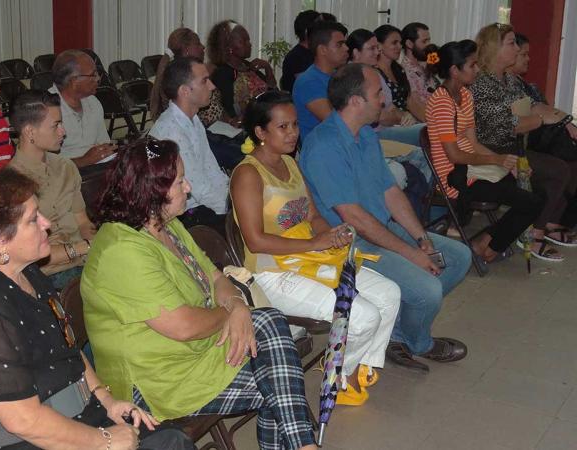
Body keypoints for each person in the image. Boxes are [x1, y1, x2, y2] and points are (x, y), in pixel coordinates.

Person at [0, 168, 194, 450]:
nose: (47, 223)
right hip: (20, 441)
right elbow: (23, 421)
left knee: (171, 439)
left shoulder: (25, 274)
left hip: (70, 415)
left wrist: (105, 399)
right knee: (168, 444)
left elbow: (67, 346)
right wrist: (102, 439)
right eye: (33, 220)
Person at [81, 138, 319, 450]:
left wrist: (236, 303)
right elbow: (183, 327)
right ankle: (306, 446)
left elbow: (215, 275)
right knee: (279, 387)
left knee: (272, 340)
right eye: (180, 181)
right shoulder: (122, 251)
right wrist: (234, 312)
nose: (188, 187)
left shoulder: (164, 224)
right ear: (152, 193)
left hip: (196, 351)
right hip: (156, 380)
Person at [231, 91, 400, 405]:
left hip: (307, 257)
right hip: (271, 273)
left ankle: (350, 368)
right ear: (260, 132)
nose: (293, 132)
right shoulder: (248, 174)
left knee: (389, 294)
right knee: (362, 316)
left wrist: (331, 234)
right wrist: (313, 242)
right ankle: (339, 376)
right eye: (283, 127)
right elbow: (254, 240)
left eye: (295, 124)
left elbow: (313, 215)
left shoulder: (290, 163)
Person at [300, 64, 471, 373]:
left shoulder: (364, 134)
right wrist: (410, 254)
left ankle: (397, 334)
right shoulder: (323, 145)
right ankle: (419, 343)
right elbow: (354, 218)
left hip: (381, 230)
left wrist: (421, 238)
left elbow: (390, 191)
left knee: (457, 257)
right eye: (378, 93)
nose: (384, 100)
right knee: (428, 289)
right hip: (352, 245)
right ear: (356, 101)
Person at [425, 40, 542, 264]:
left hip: (474, 169)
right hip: (455, 177)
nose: (477, 70)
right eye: (471, 65)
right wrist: (496, 159)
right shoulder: (441, 103)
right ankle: (489, 246)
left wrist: (503, 164)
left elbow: (473, 142)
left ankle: (485, 241)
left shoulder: (466, 96)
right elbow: (454, 156)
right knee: (530, 202)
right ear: (454, 71)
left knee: (536, 191)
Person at [471, 23, 577, 258]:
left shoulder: (507, 80)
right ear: (494, 48)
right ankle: (530, 235)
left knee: (558, 170)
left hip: (514, 147)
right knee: (556, 171)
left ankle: (536, 231)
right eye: (511, 43)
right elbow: (508, 124)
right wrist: (541, 119)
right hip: (492, 151)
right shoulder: (483, 84)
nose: (517, 48)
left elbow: (532, 104)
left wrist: (565, 120)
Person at [8, 90, 95, 289]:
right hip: (48, 276)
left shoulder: (65, 167)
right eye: (56, 125)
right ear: (30, 132)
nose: (63, 131)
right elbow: (32, 255)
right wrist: (85, 247)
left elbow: (82, 221)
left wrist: (97, 242)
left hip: (84, 260)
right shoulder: (11, 183)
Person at [347, 28, 432, 217]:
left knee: (427, 138)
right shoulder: (351, 78)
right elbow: (380, 116)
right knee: (422, 146)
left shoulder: (380, 73)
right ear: (355, 53)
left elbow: (391, 108)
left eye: (377, 48)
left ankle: (425, 214)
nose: (377, 52)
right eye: (372, 48)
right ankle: (424, 215)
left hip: (388, 127)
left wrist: (399, 115)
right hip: (376, 132)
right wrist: (398, 116)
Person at [149, 57, 229, 233]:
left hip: (203, 204)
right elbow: (197, 188)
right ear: (185, 91)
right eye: (204, 81)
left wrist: (234, 192)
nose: (212, 86)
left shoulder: (192, 119)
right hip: (184, 215)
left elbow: (211, 169)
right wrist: (233, 206)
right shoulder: (171, 131)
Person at [150, 28, 244, 171]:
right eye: (198, 43)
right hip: (210, 129)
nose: (203, 47)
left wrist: (229, 120)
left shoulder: (193, 119)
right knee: (242, 154)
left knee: (245, 144)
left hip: (207, 129)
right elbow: (196, 184)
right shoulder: (179, 78)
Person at [49, 50, 116, 168]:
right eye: (93, 74)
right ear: (74, 81)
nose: (98, 78)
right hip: (62, 179)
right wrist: (83, 161)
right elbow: (43, 166)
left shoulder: (93, 102)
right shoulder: (45, 108)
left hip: (95, 172)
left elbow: (103, 144)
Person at [207, 20, 277, 120]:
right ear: (228, 46)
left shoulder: (249, 67)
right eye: (244, 41)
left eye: (248, 40)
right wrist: (256, 101)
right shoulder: (223, 73)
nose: (249, 44)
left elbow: (275, 96)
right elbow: (230, 110)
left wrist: (268, 69)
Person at [292, 21, 349, 139]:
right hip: (323, 147)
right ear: (323, 50)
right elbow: (336, 123)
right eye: (339, 44)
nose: (346, 48)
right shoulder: (308, 82)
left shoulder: (338, 76)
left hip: (343, 141)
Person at [374, 25, 427, 130]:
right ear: (379, 46)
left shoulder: (399, 69)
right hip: (386, 126)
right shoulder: (374, 72)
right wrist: (404, 115)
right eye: (394, 43)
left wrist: (430, 122)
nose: (399, 46)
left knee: (434, 131)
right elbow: (383, 111)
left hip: (406, 123)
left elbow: (410, 101)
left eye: (400, 43)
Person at [280, 10, 337, 92]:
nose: (324, 30)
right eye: (320, 26)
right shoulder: (296, 57)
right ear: (307, 31)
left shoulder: (316, 52)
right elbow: (309, 85)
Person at [400, 22, 438, 103]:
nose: (428, 45)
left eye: (429, 41)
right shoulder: (404, 71)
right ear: (409, 44)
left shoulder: (424, 63)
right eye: (424, 42)